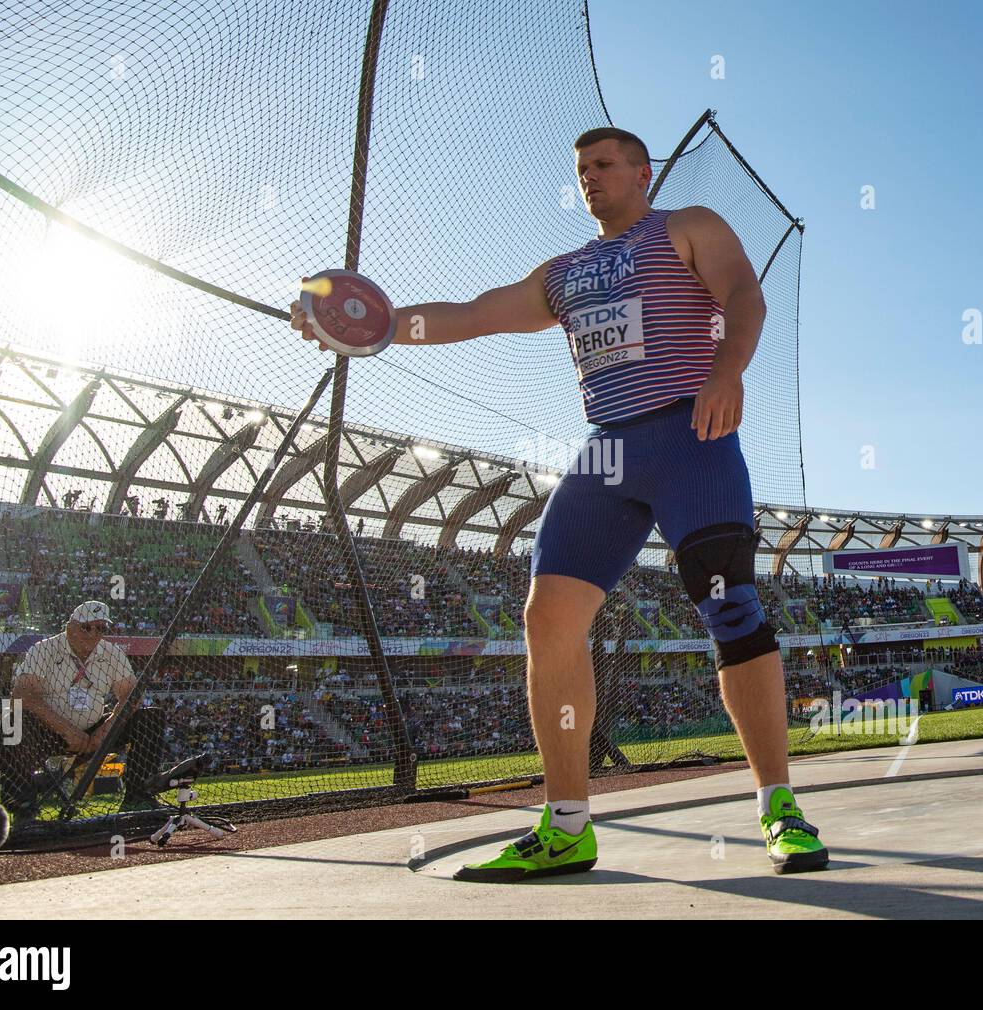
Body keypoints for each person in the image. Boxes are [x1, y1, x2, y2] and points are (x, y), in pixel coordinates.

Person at [291, 127, 827, 880]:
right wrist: (370, 326)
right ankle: (568, 825)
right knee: (547, 615)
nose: (591, 177)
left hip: (690, 433)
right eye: (581, 169)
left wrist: (727, 372)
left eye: (604, 164)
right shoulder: (565, 271)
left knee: (729, 606)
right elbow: (472, 315)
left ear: (643, 172)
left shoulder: (687, 227)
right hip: (608, 449)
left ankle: (781, 811)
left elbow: (745, 295)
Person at [0, 601, 165, 817]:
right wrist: (66, 730)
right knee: (13, 723)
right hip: (50, 731)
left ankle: (138, 795)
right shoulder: (44, 649)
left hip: (95, 730)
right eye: (87, 627)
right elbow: (22, 695)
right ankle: (23, 807)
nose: (94, 633)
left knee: (150, 717)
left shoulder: (111, 653)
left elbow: (131, 696)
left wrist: (104, 732)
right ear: (71, 627)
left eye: (101, 628)